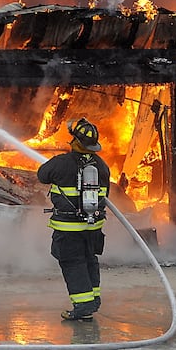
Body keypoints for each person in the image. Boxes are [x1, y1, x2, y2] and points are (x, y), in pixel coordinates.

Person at [37, 117, 111, 321]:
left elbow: (42, 175)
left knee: (73, 263)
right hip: (93, 228)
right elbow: (106, 196)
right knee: (90, 261)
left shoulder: (62, 163)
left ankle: (83, 306)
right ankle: (93, 300)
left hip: (69, 229)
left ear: (74, 142)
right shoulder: (102, 167)